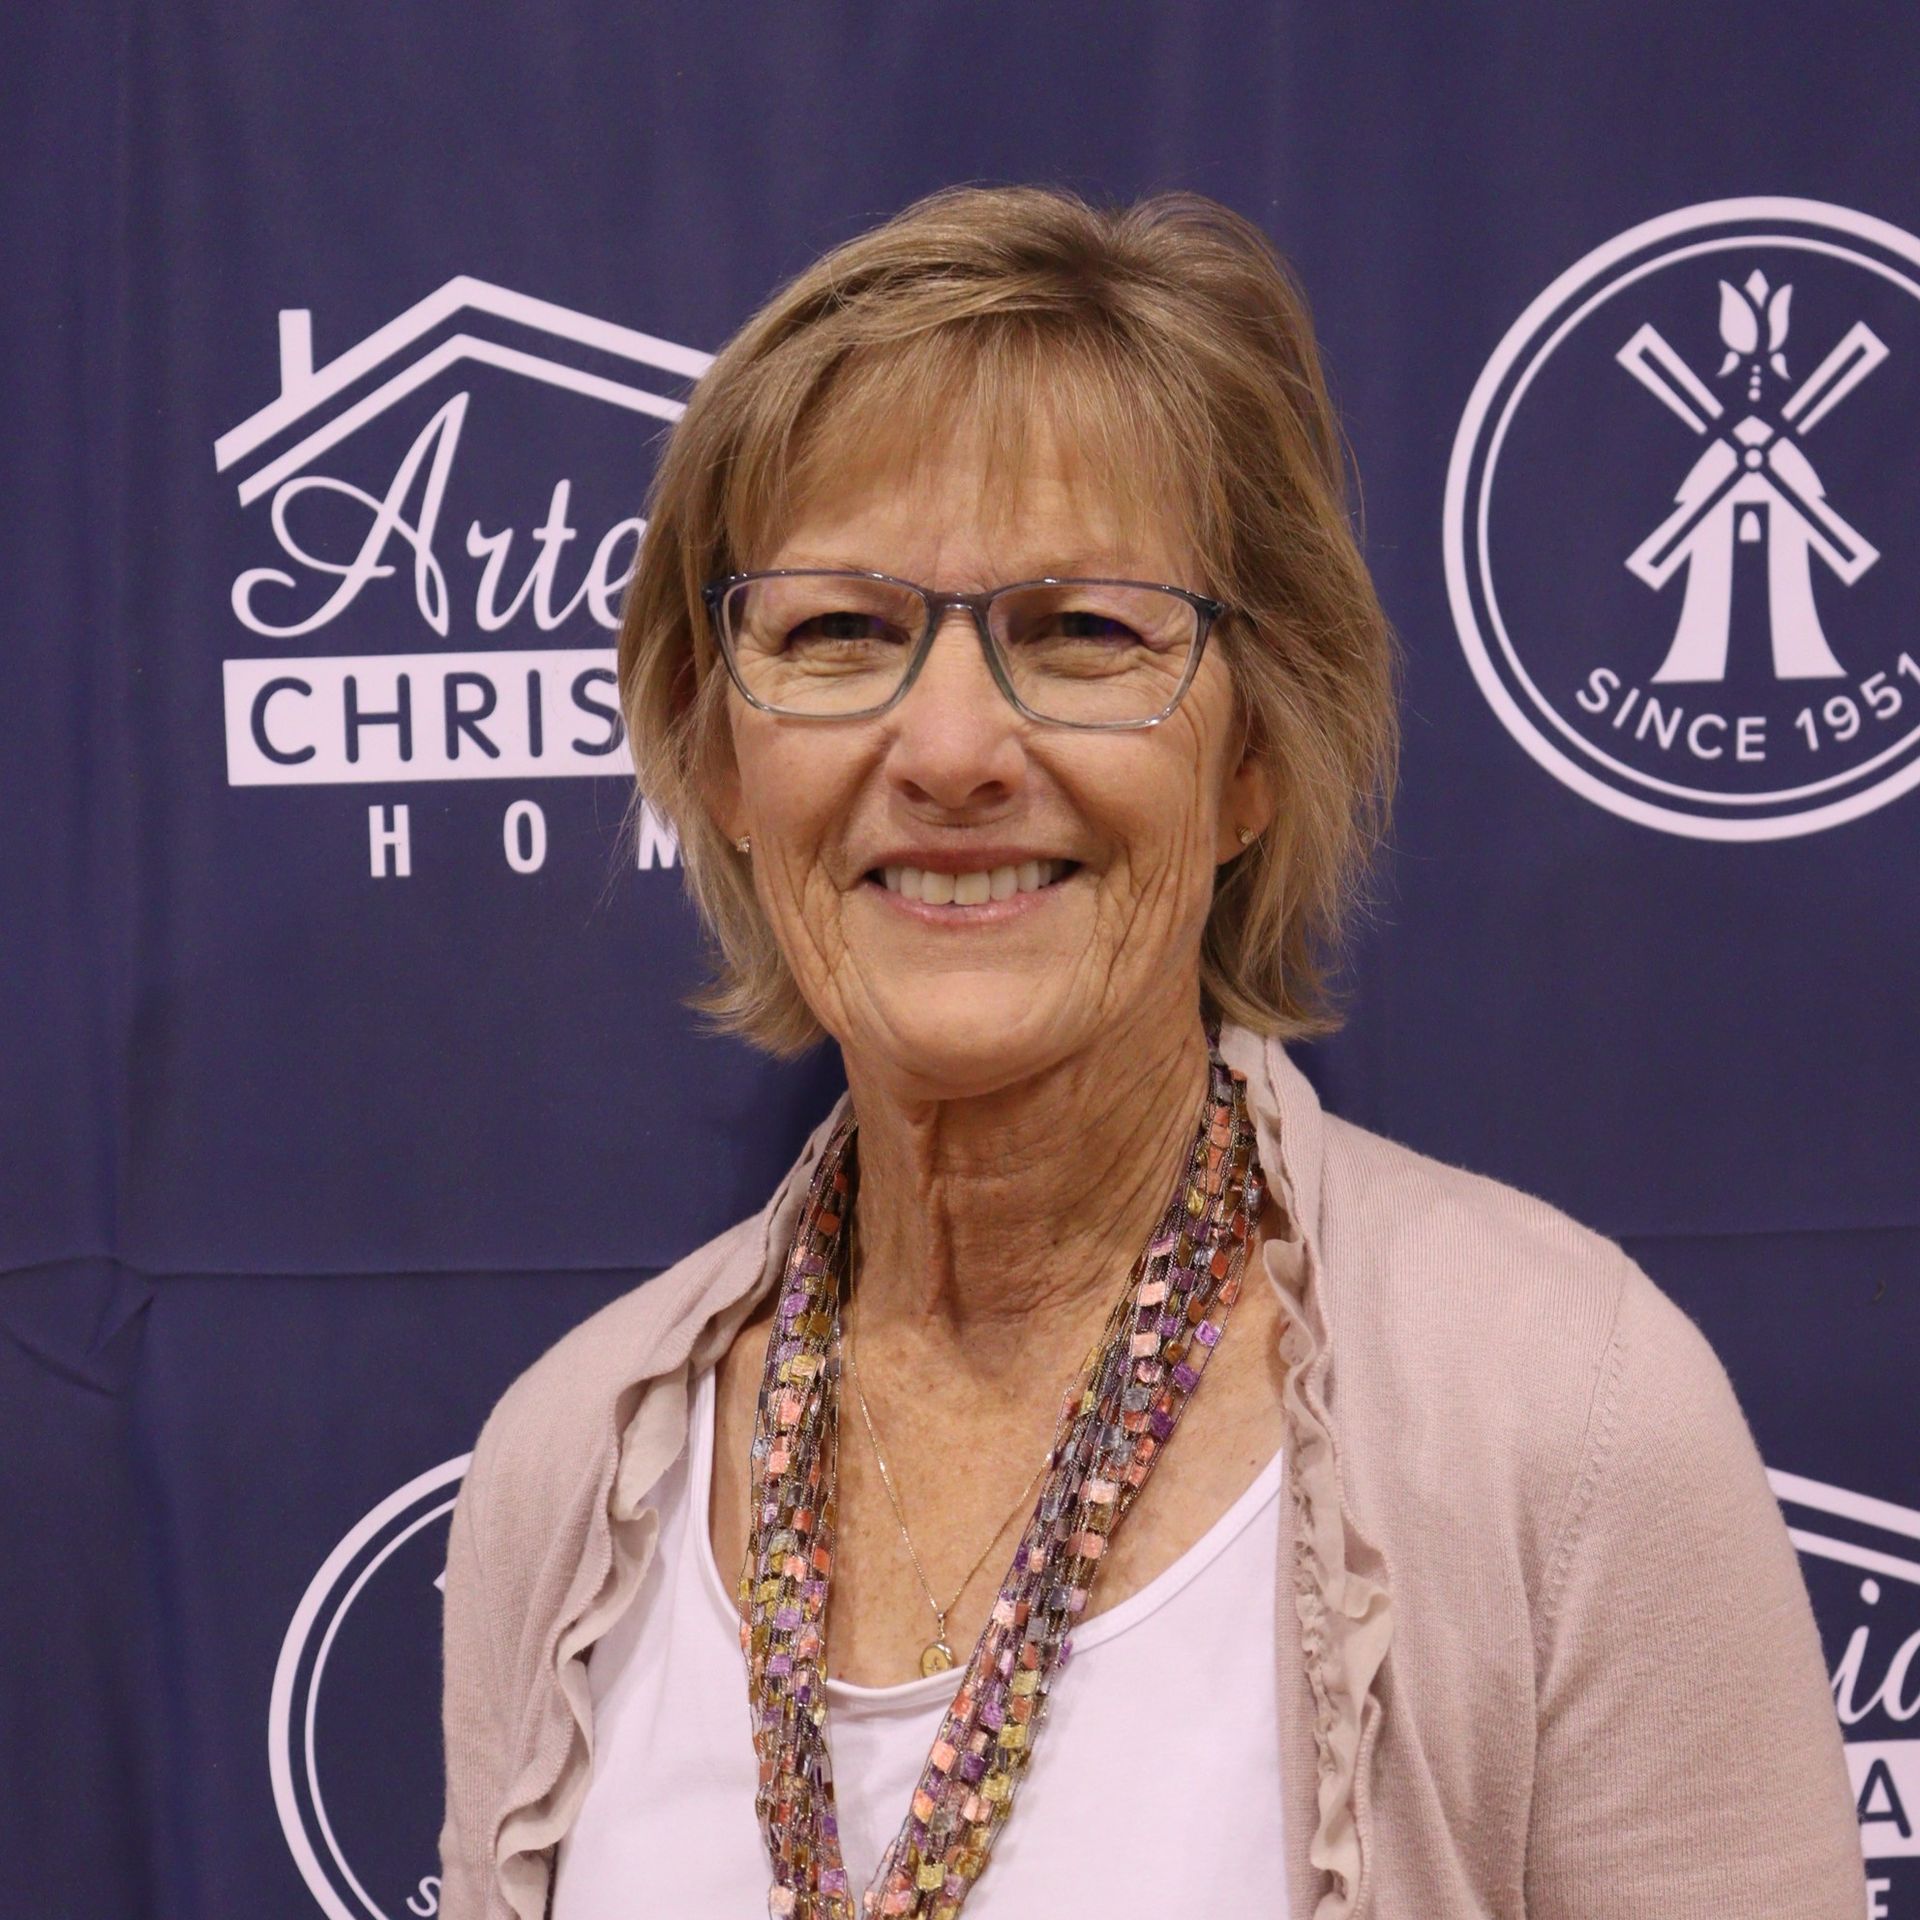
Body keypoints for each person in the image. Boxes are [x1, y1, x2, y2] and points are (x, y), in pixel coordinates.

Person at [436, 186, 1864, 1920]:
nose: (952, 747)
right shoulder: (567, 1465)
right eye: (839, 635)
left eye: (1083, 633)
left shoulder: (1567, 1424)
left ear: (1255, 750)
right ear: (720, 756)